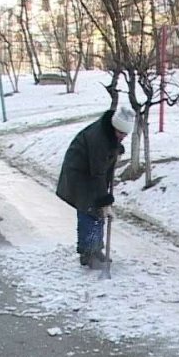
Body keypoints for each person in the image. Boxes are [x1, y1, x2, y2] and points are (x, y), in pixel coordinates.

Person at [56, 106, 134, 269]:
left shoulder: (109, 132)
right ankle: (87, 253)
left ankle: (96, 249)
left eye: (125, 135)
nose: (122, 137)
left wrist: (115, 149)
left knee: (97, 211)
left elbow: (101, 167)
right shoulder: (98, 138)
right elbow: (97, 173)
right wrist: (104, 200)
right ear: (114, 126)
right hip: (78, 173)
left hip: (90, 172)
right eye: (120, 133)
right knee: (89, 208)